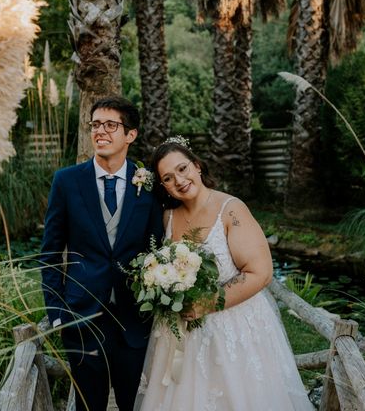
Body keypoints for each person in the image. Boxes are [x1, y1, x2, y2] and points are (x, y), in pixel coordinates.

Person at [135, 137, 314, 410]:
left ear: (197, 166)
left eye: (183, 169)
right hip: (180, 333)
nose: (179, 180)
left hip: (233, 328)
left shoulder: (231, 210)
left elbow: (260, 272)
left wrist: (206, 303)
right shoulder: (167, 218)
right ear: (164, 187)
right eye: (168, 178)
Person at [40, 96, 163, 411]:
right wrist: (57, 313)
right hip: (82, 318)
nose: (101, 132)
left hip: (134, 319)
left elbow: (158, 248)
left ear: (130, 135)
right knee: (88, 406)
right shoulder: (66, 181)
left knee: (132, 404)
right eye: (96, 125)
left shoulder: (149, 184)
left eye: (111, 125)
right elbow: (50, 253)